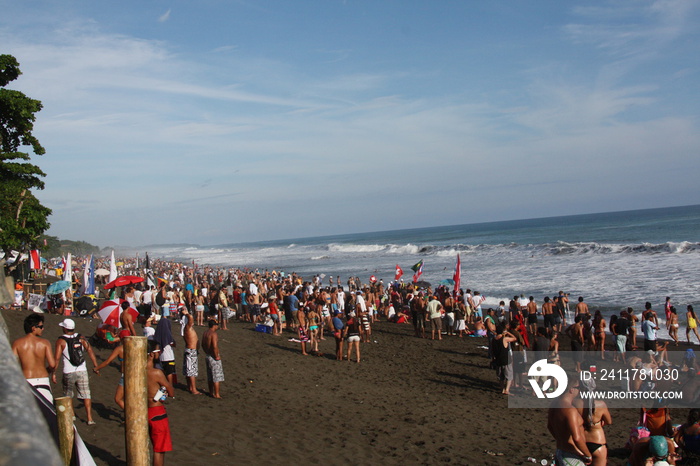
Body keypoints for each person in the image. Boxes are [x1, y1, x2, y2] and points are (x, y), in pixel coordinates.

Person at [54, 318, 98, 425]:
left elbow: (57, 358)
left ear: (65, 328)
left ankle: (72, 415)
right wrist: (96, 365)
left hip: (68, 371)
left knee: (68, 394)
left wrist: (54, 372)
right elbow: (90, 351)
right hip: (82, 369)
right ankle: (89, 418)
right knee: (86, 394)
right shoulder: (81, 338)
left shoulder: (61, 341)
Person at [547, 378, 593, 465]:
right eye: (579, 388)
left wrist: (561, 440)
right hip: (571, 455)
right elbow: (577, 438)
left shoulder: (554, 403)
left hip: (561, 450)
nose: (580, 391)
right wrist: (588, 455)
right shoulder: (570, 410)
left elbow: (549, 426)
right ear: (571, 389)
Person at [12, 314, 56, 403]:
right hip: (43, 381)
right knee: (47, 413)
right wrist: (47, 370)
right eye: (41, 326)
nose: (42, 329)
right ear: (33, 328)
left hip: (27, 382)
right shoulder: (45, 343)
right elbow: (52, 364)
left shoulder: (17, 343)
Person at [147, 340, 175, 466]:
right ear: (152, 354)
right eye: (158, 351)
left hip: (144, 411)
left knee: (149, 445)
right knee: (159, 449)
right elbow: (171, 391)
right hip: (157, 411)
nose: (160, 353)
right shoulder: (156, 373)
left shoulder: (136, 372)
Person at [573, 378, 612, 466]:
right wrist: (598, 423)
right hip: (597, 441)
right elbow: (608, 421)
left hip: (581, 443)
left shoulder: (575, 403)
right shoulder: (601, 404)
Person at [92, 335, 127, 411]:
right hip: (137, 375)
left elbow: (108, 361)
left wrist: (96, 368)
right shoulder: (135, 347)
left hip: (126, 376)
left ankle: (131, 414)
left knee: (118, 399)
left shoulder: (119, 349)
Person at [181, 309, 201, 395]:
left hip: (191, 351)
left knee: (188, 370)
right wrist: (187, 314)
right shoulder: (187, 327)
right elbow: (191, 319)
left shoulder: (187, 328)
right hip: (191, 351)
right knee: (191, 371)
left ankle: (190, 387)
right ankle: (193, 389)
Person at [202, 320, 223, 398]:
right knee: (216, 376)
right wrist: (216, 356)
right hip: (213, 356)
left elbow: (202, 344)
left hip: (208, 355)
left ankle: (211, 392)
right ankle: (217, 394)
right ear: (214, 325)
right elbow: (214, 346)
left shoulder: (205, 333)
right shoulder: (213, 334)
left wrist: (207, 352)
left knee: (210, 376)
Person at [154, 315, 177, 386]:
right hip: (169, 357)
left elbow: (157, 345)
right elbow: (173, 344)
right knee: (169, 372)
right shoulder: (168, 335)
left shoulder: (157, 334)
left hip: (161, 357)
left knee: (163, 372)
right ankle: (169, 386)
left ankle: (164, 386)